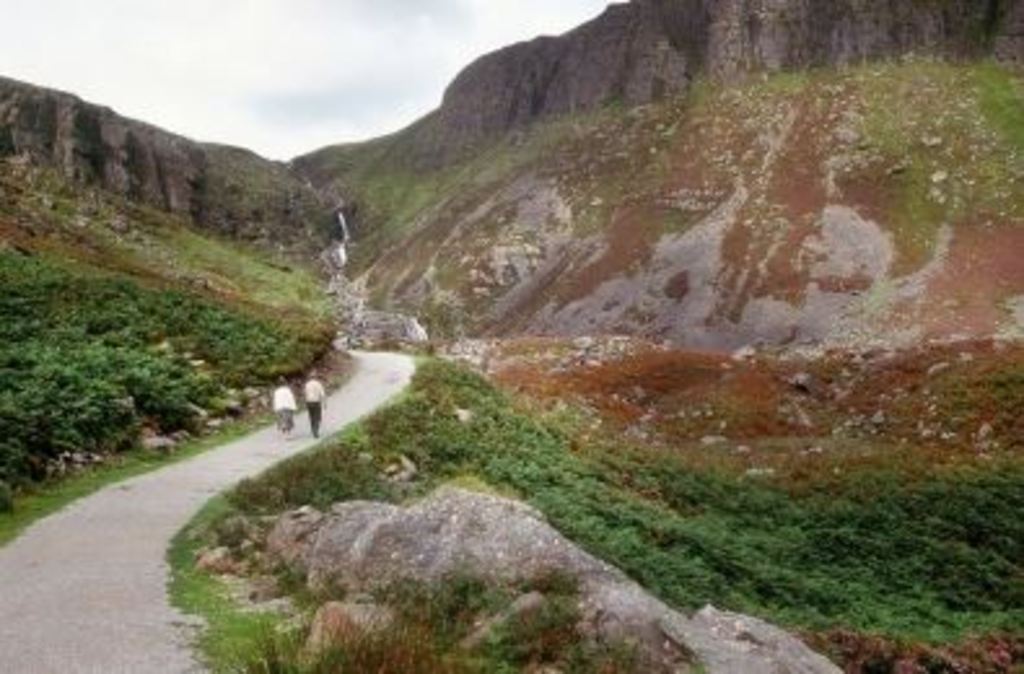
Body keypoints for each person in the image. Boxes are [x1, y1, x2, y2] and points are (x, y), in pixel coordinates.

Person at [304, 374, 327, 439]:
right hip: (316, 402)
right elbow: (322, 394)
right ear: (315, 377)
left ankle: (313, 429)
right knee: (317, 416)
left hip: (309, 402)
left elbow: (305, 394)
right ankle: (316, 431)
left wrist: (305, 402)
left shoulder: (307, 384)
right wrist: (324, 403)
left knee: (311, 416)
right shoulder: (318, 384)